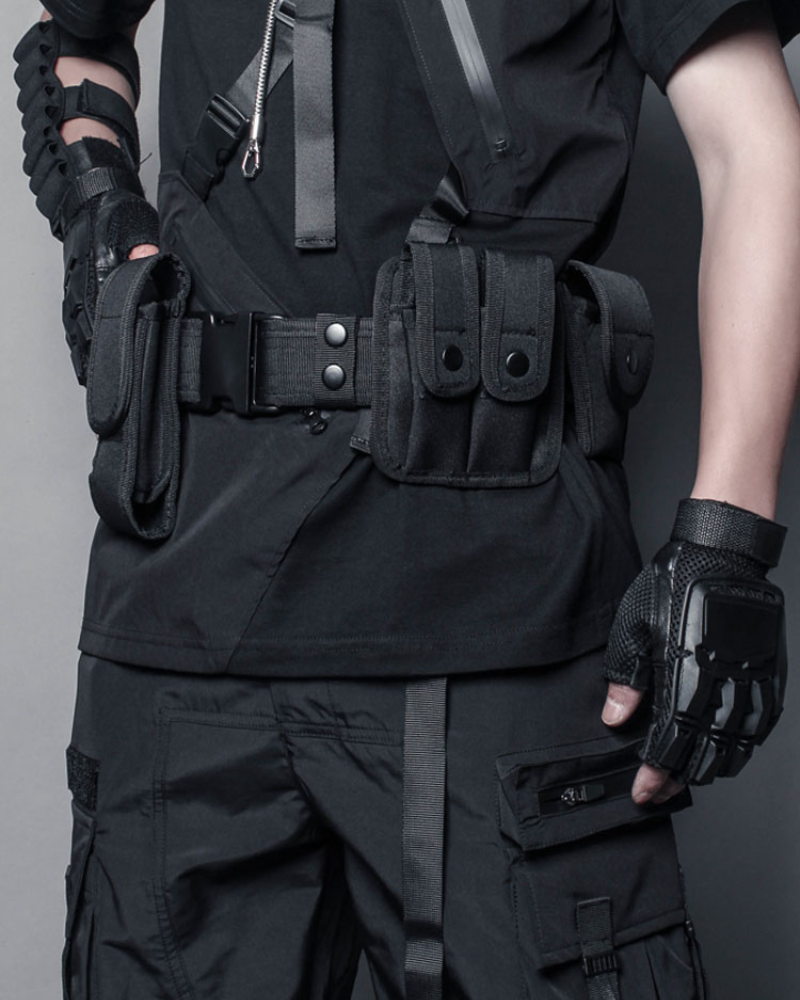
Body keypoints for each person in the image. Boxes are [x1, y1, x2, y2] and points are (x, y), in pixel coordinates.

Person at [14, 1, 799, 997]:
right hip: (184, 611)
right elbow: (77, 33)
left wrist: (727, 542)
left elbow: (752, 143)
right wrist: (102, 215)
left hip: (501, 615)